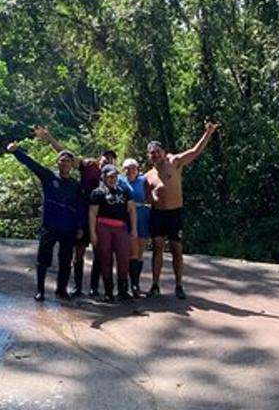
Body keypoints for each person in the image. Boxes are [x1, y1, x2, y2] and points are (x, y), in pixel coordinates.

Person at [33, 126, 117, 298]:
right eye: (105, 157)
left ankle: (94, 287)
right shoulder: (88, 167)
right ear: (99, 158)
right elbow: (65, 155)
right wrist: (49, 137)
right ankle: (77, 287)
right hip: (83, 214)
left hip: (102, 216)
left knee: (98, 251)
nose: (106, 160)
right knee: (78, 252)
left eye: (110, 159)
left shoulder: (113, 176)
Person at [145, 120, 218, 299]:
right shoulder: (147, 175)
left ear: (164, 152)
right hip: (158, 214)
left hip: (174, 213)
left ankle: (179, 285)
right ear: (149, 156)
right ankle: (155, 285)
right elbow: (145, 196)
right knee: (158, 248)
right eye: (152, 153)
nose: (155, 155)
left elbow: (195, 151)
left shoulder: (175, 162)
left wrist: (208, 133)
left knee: (177, 248)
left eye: (158, 152)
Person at [6, 134, 83, 301]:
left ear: (72, 165)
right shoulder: (48, 176)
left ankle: (61, 290)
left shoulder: (75, 185)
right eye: (62, 160)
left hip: (68, 228)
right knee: (43, 259)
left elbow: (79, 207)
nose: (65, 163)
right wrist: (16, 151)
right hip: (50, 225)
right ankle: (40, 290)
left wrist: (80, 227)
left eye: (68, 161)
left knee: (65, 260)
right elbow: (32, 165)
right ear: (58, 162)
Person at [89, 164, 138, 301]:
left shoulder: (124, 191)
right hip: (103, 227)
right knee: (105, 259)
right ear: (103, 177)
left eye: (114, 176)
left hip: (121, 228)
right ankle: (108, 292)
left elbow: (132, 210)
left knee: (123, 258)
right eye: (109, 176)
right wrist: (92, 232)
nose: (112, 179)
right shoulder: (97, 193)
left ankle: (123, 290)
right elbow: (93, 213)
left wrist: (134, 228)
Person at [118, 158, 151, 297]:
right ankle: (124, 285)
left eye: (133, 168)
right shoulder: (119, 180)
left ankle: (135, 284)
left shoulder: (143, 181)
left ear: (138, 169)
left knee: (139, 251)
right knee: (127, 251)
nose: (130, 171)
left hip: (141, 215)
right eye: (127, 168)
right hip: (124, 216)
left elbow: (150, 196)